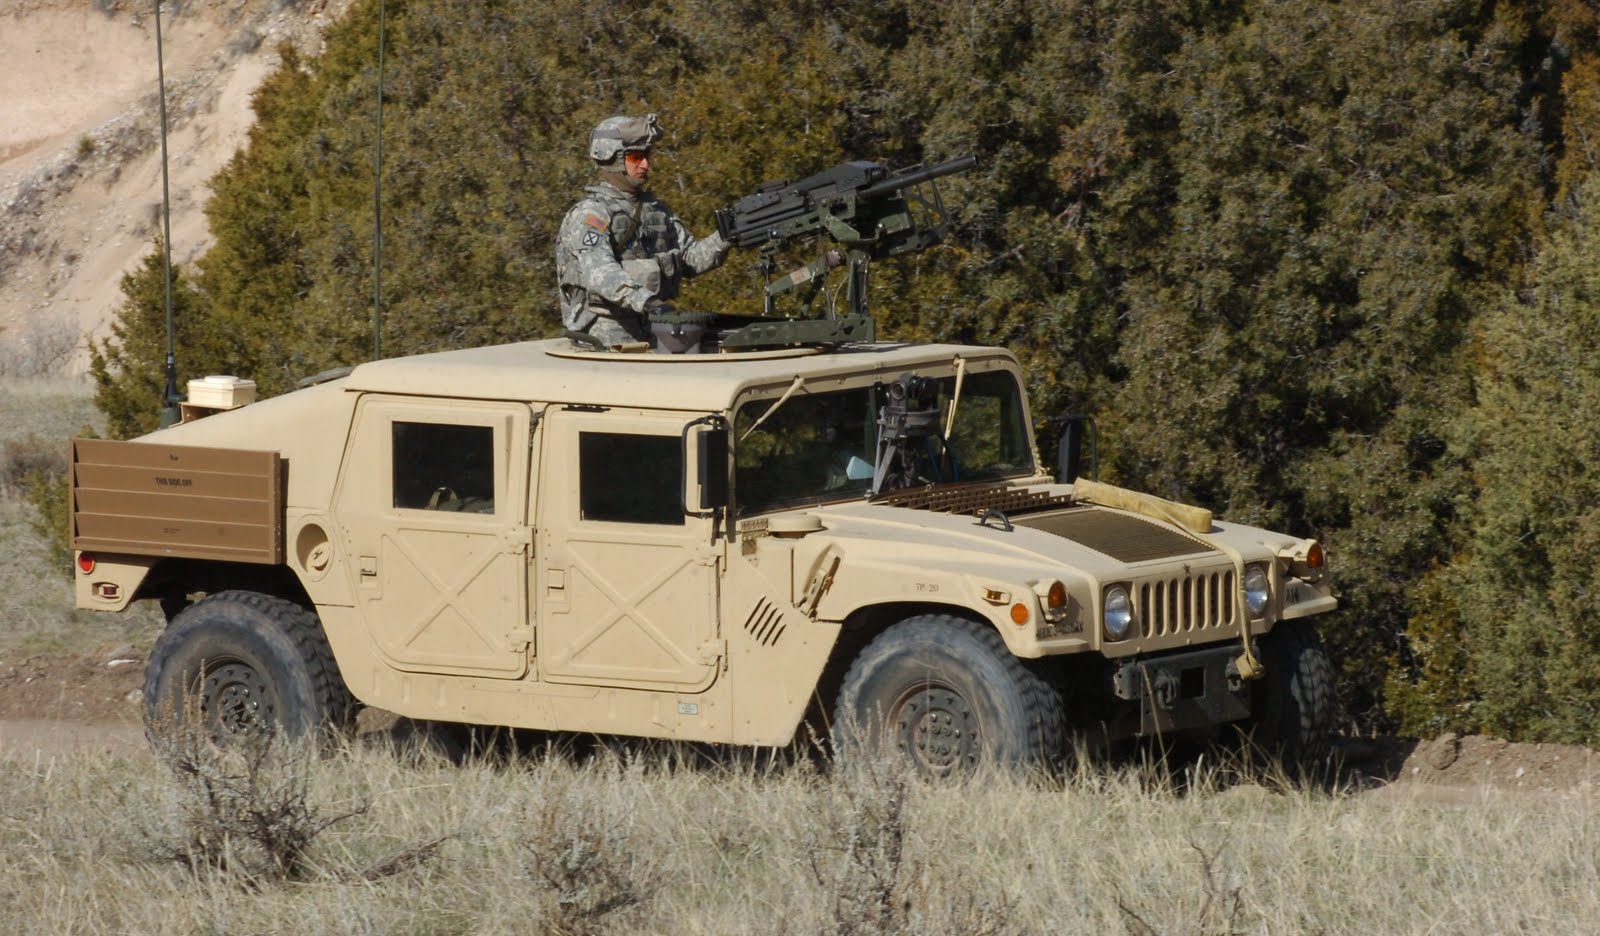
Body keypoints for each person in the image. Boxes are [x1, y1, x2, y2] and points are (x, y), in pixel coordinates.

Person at [555, 113, 730, 347]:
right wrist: (647, 302)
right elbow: (601, 274)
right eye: (636, 157)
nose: (646, 164)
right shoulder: (591, 215)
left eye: (646, 156)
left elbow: (690, 259)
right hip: (604, 340)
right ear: (613, 159)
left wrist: (728, 235)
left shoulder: (656, 211)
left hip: (652, 333)